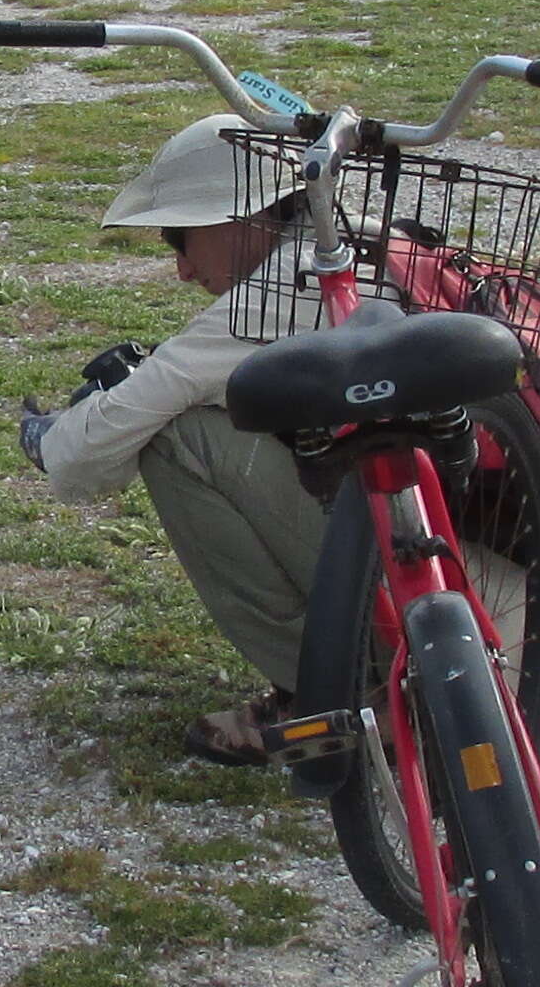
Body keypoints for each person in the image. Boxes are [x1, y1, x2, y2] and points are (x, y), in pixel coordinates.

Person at [17, 115, 336, 756]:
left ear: (238, 216)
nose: (182, 268)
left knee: (174, 436)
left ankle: (331, 688)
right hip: (497, 608)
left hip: (425, 596)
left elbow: (92, 449)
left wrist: (44, 437)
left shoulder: (287, 288)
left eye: (178, 237)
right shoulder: (374, 246)